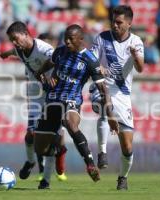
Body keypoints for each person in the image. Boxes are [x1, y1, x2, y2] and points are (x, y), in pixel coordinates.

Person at [34, 24, 119, 189]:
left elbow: (104, 89)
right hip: (52, 98)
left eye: (70, 39)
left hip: (72, 99)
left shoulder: (90, 59)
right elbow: (47, 65)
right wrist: (41, 75)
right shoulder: (60, 52)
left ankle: (90, 164)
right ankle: (48, 175)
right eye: (65, 38)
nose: (66, 42)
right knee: (41, 148)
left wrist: (110, 115)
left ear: (81, 39)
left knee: (70, 123)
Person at [0, 21, 67, 182]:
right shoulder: (20, 49)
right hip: (36, 94)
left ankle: (49, 176)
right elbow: (15, 51)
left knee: (54, 139)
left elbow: (60, 62)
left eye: (16, 38)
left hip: (52, 93)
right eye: (12, 40)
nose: (15, 43)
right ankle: (30, 162)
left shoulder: (45, 49)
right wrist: (6, 54)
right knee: (30, 134)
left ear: (26, 34)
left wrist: (53, 78)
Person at [89, 5, 144, 190]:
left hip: (122, 94)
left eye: (119, 22)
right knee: (106, 107)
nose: (115, 25)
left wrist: (136, 57)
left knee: (127, 148)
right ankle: (102, 152)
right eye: (113, 21)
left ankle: (122, 177)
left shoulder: (136, 42)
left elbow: (141, 68)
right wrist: (99, 68)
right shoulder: (102, 38)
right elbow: (92, 60)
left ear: (129, 23)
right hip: (101, 86)